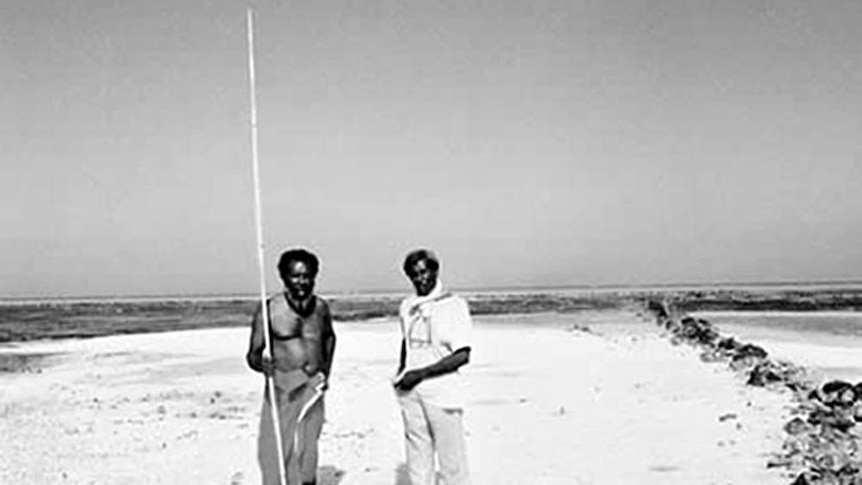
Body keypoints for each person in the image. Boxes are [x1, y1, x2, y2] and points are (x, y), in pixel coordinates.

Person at [246, 248, 336, 485]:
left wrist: (325, 371)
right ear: (284, 277)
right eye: (295, 276)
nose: (302, 281)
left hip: (314, 386)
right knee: (274, 449)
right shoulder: (269, 310)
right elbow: (253, 355)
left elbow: (329, 338)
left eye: (307, 275)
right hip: (283, 388)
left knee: (308, 447)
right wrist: (262, 365)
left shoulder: (321, 308)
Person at [393, 249, 472, 485]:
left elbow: (462, 355)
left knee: (452, 462)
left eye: (425, 272)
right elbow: (406, 342)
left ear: (435, 270)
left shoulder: (454, 305)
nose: (421, 278)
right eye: (414, 274)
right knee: (418, 457)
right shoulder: (407, 306)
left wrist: (422, 373)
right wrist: (402, 372)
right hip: (411, 392)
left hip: (442, 392)